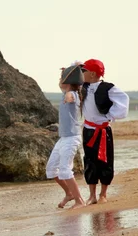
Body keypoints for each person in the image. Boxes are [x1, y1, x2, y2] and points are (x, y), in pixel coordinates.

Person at [80, 59, 129, 204]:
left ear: (93, 73)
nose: (82, 73)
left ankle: (103, 194)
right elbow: (66, 80)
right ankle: (92, 195)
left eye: (84, 71)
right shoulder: (83, 87)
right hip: (88, 130)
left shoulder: (108, 88)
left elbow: (123, 101)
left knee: (105, 161)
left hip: (103, 131)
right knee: (89, 161)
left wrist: (109, 116)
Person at [46, 62, 86, 209]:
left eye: (61, 79)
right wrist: (69, 70)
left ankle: (79, 201)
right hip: (63, 138)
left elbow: (71, 96)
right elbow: (66, 89)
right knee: (51, 169)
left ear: (68, 82)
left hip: (72, 138)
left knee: (65, 170)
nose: (59, 81)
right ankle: (69, 193)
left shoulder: (72, 94)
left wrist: (69, 95)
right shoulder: (66, 92)